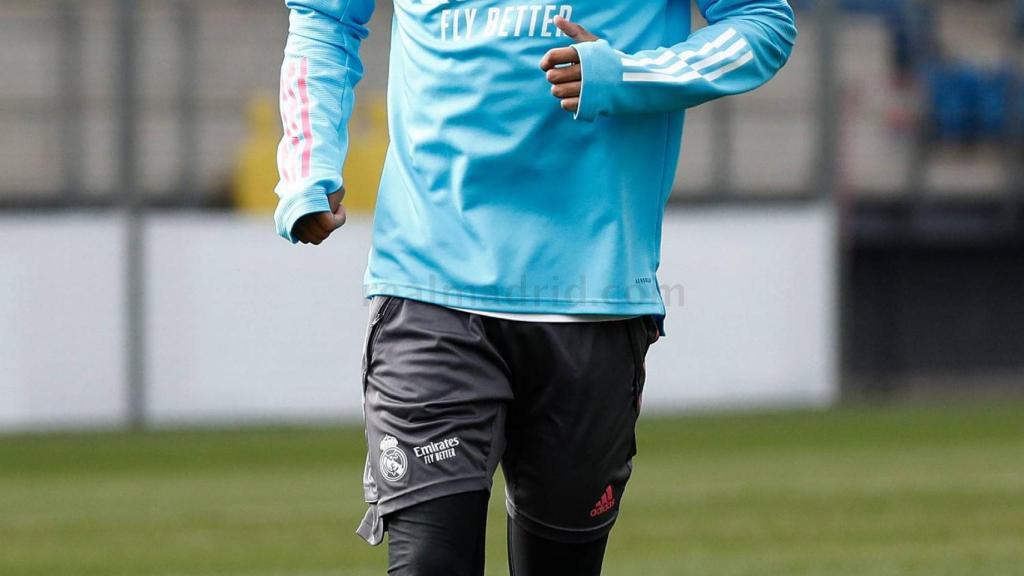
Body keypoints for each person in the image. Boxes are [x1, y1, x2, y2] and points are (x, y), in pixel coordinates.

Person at [273, 1, 796, 574]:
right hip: (428, 279)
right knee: (427, 561)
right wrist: (306, 165)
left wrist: (631, 74)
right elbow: (325, 17)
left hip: (592, 293)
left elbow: (764, 23)